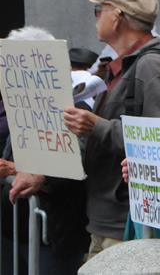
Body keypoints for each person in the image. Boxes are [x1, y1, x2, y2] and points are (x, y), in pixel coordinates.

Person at [63, 0, 160, 261]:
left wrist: (97, 126)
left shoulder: (151, 66)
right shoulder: (120, 68)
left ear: (118, 16)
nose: (96, 17)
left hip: (129, 224)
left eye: (99, 10)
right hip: (110, 218)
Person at [0, 26, 90, 275]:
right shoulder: (15, 109)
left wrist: (18, 169)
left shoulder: (75, 110)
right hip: (13, 232)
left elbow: (76, 164)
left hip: (52, 235)